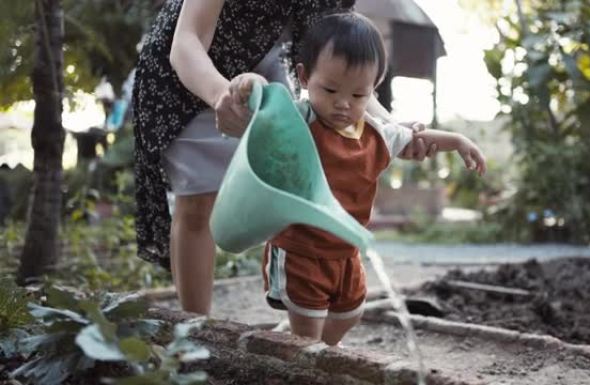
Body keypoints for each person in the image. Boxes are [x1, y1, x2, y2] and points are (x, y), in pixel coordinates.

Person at [132, 1, 438, 316]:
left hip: (265, 69)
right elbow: (187, 40)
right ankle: (195, 331)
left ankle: (300, 300)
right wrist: (220, 95)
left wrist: (391, 127)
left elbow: (345, 71)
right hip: (191, 73)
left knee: (295, 180)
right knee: (196, 202)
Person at [228, 12, 486, 346]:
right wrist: (249, 82)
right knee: (308, 331)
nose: (343, 104)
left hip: (346, 250)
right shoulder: (299, 120)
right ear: (305, 77)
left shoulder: (377, 133)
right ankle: (302, 361)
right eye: (331, 89)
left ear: (374, 89)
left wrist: (458, 142)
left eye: (358, 95)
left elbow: (414, 137)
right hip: (300, 248)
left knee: (350, 315)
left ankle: (314, 352)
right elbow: (263, 105)